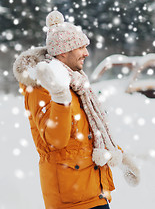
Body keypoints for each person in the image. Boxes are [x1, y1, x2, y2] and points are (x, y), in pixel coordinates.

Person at [13, 11, 140, 209]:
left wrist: (120, 156)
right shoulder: (41, 87)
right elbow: (56, 140)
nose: (86, 53)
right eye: (80, 47)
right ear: (63, 52)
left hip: (94, 191)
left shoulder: (76, 83)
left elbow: (90, 133)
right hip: (71, 199)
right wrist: (60, 98)